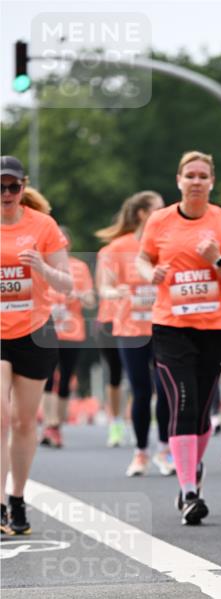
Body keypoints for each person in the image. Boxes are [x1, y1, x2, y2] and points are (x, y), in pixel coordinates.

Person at [137, 150, 221, 525]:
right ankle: (188, 492)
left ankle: (190, 469)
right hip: (171, 328)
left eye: (203, 175)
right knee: (182, 401)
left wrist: (216, 259)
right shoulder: (160, 221)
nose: (196, 181)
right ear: (179, 180)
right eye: (190, 175)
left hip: (214, 330)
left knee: (201, 410)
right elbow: (142, 257)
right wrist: (149, 272)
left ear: (211, 181)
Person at [0, 156, 72, 535]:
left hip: (34, 332)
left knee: (24, 422)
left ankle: (17, 498)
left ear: (23, 187)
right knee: (0, 418)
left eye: (13, 186)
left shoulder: (42, 226)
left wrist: (42, 268)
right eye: (1, 187)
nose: (7, 194)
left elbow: (67, 284)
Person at [97, 191, 175, 477]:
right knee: (140, 390)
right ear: (142, 213)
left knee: (165, 388)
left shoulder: (167, 245)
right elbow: (103, 287)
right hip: (130, 329)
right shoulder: (115, 249)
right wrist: (114, 292)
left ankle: (164, 450)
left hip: (164, 326)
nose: (164, 213)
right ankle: (141, 453)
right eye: (158, 209)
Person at [42, 227, 96, 447]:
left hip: (72, 332)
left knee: (65, 379)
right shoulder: (42, 266)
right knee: (45, 379)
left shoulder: (79, 268)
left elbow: (91, 301)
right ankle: (49, 423)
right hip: (45, 331)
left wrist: (80, 295)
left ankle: (56, 426)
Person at [94, 241, 125, 446]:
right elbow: (101, 287)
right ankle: (116, 423)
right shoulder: (108, 252)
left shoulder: (150, 247)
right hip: (110, 320)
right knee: (115, 375)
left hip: (143, 322)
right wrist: (115, 292)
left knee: (143, 375)